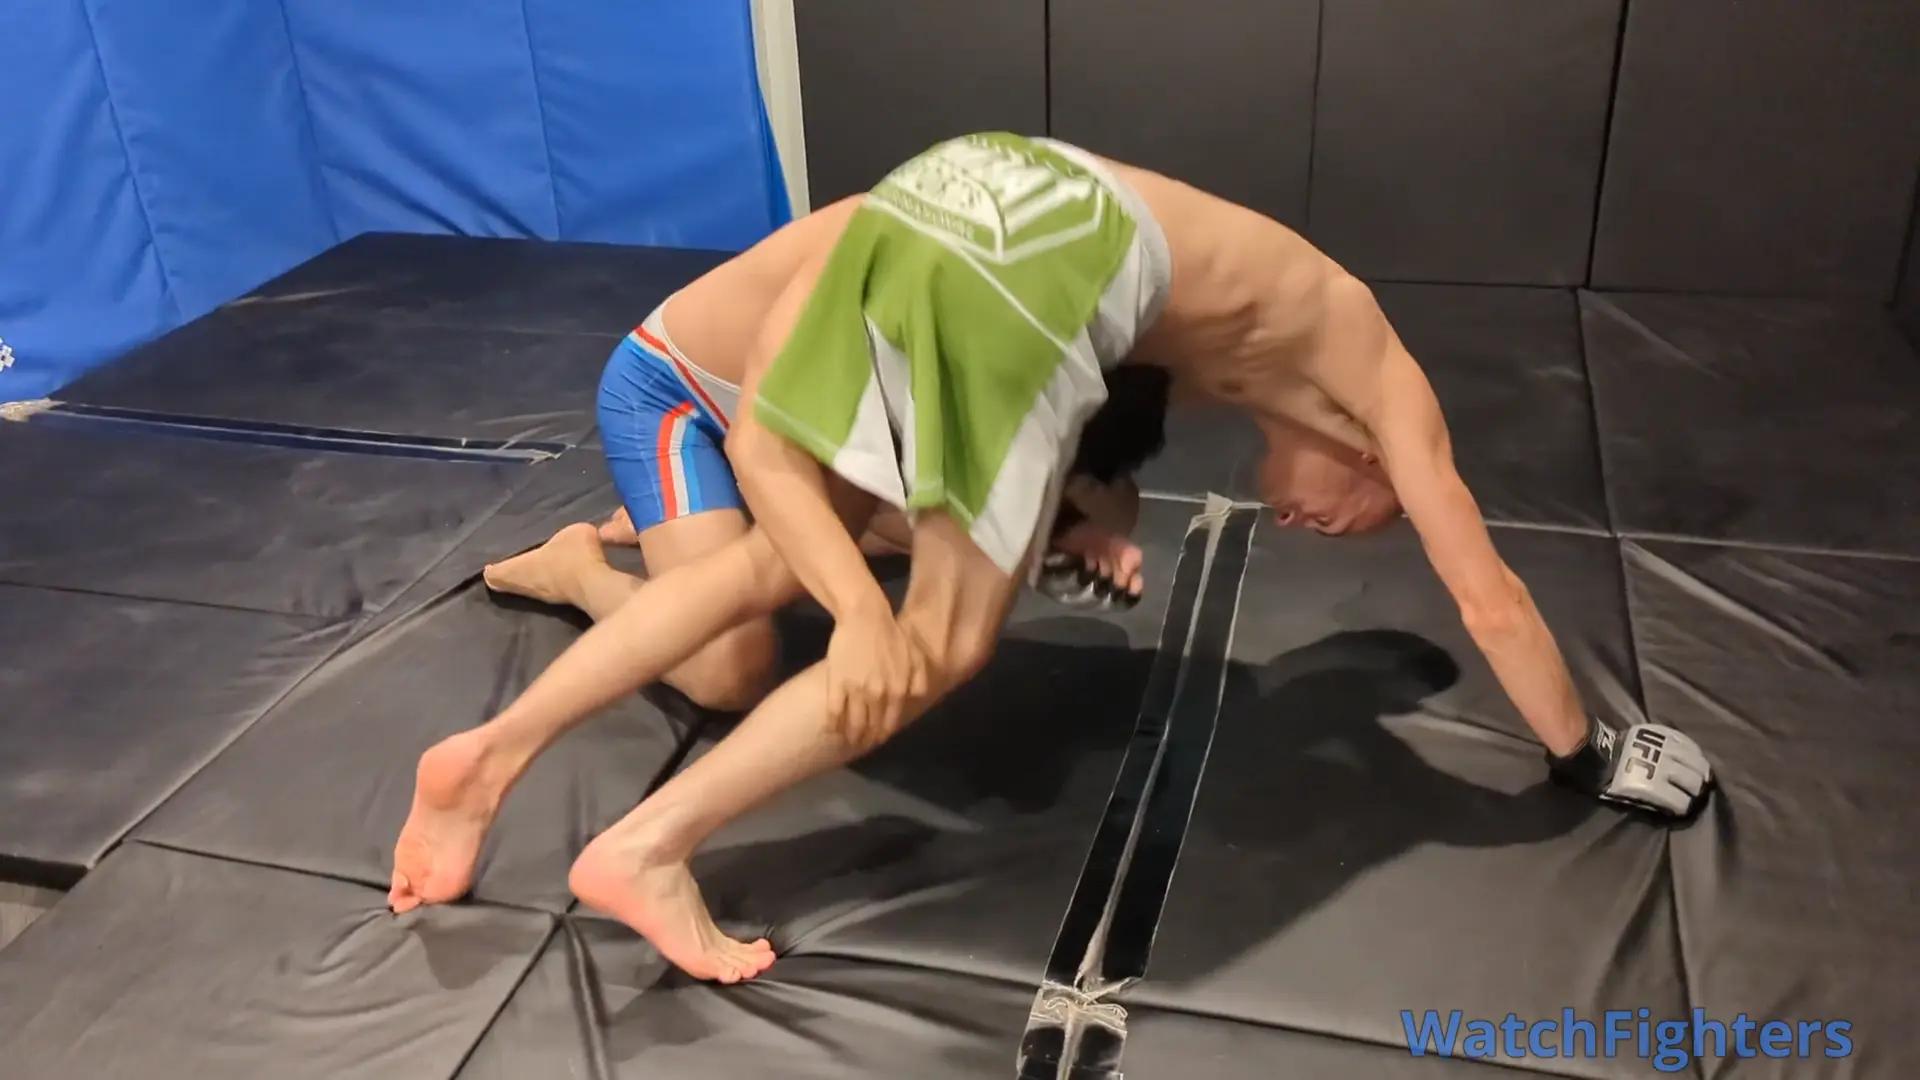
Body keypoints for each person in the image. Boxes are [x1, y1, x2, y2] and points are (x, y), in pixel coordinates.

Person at [389, 132, 1711, 983]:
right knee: (937, 646)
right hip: (1016, 263)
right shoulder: (1379, 374)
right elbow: (1491, 595)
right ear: (1374, 458)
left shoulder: (1246, 322)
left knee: (775, 566)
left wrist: (1067, 526)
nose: (1322, 523)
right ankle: (649, 845)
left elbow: (1066, 423)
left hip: (973, 182)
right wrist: (1590, 753)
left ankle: (483, 757)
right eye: (1364, 512)